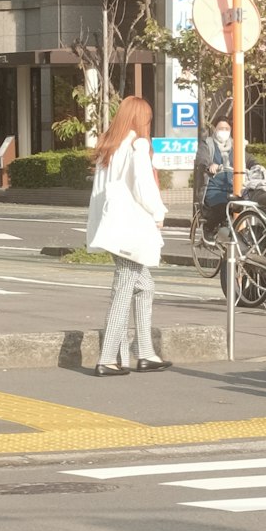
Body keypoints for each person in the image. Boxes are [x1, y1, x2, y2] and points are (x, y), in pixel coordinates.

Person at [86, 96, 171, 377]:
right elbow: (144, 187)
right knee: (125, 288)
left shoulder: (108, 148)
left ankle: (142, 353)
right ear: (139, 119)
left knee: (144, 285)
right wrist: (158, 211)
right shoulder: (137, 145)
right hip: (131, 229)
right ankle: (108, 357)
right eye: (146, 117)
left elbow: (100, 194)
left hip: (111, 228)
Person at [195, 116, 241, 231]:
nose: (224, 131)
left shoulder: (235, 145)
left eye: (227, 128)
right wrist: (210, 165)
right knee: (222, 207)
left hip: (233, 187)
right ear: (215, 129)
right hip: (213, 188)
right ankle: (209, 229)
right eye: (221, 128)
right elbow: (202, 159)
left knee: (247, 206)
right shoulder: (207, 144)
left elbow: (247, 158)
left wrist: (256, 165)